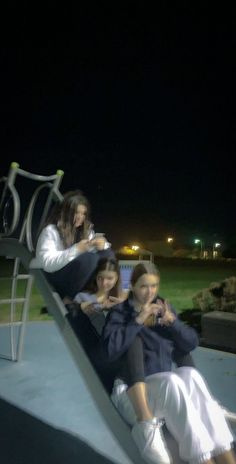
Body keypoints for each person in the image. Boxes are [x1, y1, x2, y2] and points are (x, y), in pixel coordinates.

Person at [102, 262, 236, 464]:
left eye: (154, 286)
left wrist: (172, 322)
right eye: (144, 286)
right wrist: (138, 320)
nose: (150, 292)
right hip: (132, 394)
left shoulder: (162, 308)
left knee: (190, 376)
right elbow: (109, 352)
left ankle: (224, 453)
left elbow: (191, 343)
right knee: (172, 381)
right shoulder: (120, 313)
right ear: (133, 285)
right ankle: (201, 458)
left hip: (162, 390)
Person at [30, 190, 114, 300]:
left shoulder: (84, 231)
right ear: (66, 213)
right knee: (89, 258)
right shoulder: (51, 231)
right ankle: (70, 301)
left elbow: (100, 250)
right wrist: (76, 249)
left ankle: (105, 295)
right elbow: (47, 264)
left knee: (107, 254)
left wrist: (102, 245)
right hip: (56, 275)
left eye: (83, 213)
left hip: (77, 276)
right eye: (76, 213)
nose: (80, 217)